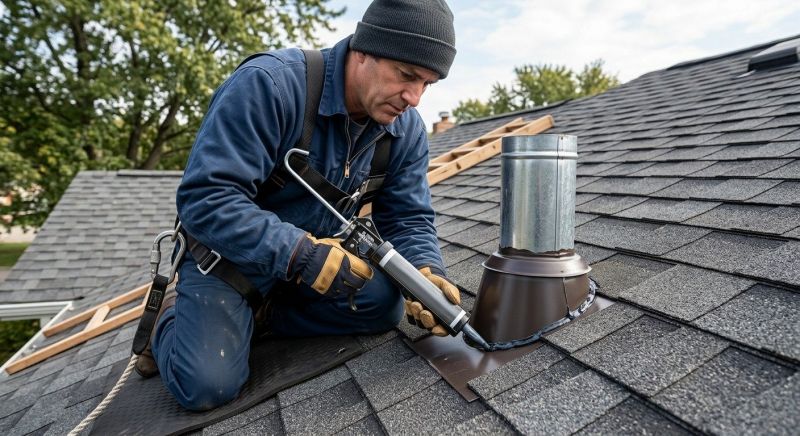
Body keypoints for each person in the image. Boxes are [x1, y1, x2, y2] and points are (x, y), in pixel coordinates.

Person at [136, 0, 460, 411]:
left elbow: (408, 217)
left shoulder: (404, 131)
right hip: (228, 262)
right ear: (364, 50)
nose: (414, 98)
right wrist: (300, 254)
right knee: (207, 385)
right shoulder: (269, 86)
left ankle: (262, 316)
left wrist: (426, 273)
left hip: (311, 265)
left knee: (382, 306)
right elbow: (206, 198)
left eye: (427, 84)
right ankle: (170, 321)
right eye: (407, 75)